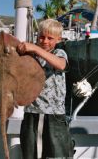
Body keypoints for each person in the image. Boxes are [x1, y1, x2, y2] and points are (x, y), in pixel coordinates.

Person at [17, 18, 74, 159]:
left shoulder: (59, 53)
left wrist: (35, 48)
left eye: (50, 38)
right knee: (30, 155)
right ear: (37, 36)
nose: (45, 41)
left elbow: (61, 65)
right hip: (31, 114)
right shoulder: (29, 55)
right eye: (41, 37)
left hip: (55, 116)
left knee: (57, 155)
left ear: (58, 39)